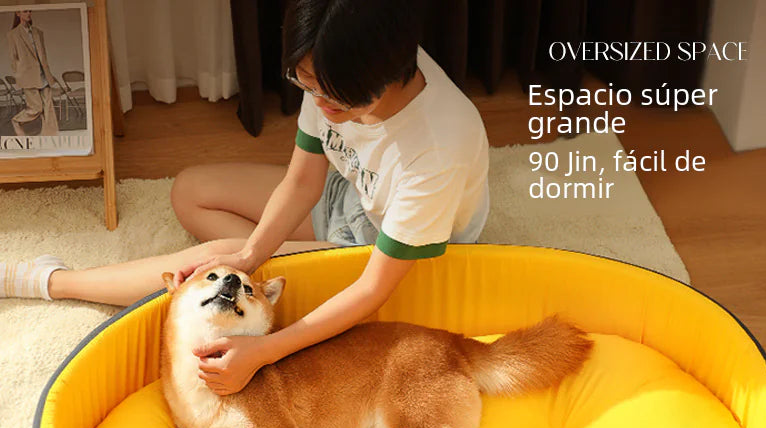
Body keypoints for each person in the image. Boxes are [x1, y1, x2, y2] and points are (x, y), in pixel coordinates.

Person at [1, 0, 489, 397]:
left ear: (379, 79)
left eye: (331, 98)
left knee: (207, 267)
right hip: (355, 197)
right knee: (191, 193)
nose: (316, 103)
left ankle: (54, 281)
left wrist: (265, 349)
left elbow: (371, 291)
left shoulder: (435, 150)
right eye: (306, 85)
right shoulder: (335, 63)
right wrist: (251, 253)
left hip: (399, 258)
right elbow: (303, 183)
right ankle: (262, 263)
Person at [8, 9, 59, 137]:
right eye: (25, 11)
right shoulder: (13, 34)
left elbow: (43, 55)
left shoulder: (37, 32)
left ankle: (50, 136)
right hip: (28, 76)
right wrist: (20, 74)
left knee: (48, 107)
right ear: (18, 14)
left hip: (43, 74)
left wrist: (48, 72)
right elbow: (13, 58)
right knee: (36, 108)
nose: (29, 14)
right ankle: (16, 120)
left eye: (30, 11)